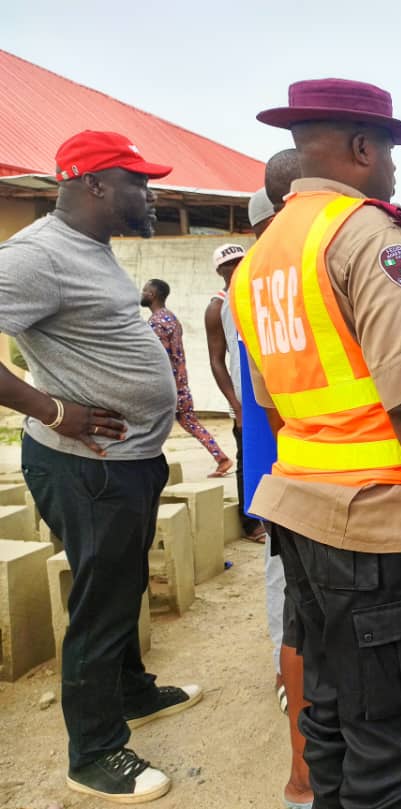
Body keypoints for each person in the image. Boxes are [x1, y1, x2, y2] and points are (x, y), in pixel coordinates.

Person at [232, 78, 401, 808]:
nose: (393, 169)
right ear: (360, 146)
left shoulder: (261, 261)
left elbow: (273, 401)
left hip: (303, 515)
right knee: (390, 739)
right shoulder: (370, 237)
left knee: (329, 709)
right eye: (389, 152)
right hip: (379, 530)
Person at [0, 130, 201, 803]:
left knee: (121, 585)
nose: (150, 194)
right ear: (93, 184)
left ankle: (132, 691)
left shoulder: (93, 249)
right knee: (100, 601)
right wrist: (54, 410)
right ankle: (93, 751)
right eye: (137, 183)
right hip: (87, 464)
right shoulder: (36, 256)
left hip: (130, 458)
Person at [243, 181, 313, 809]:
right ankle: (285, 677)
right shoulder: (258, 287)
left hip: (295, 469)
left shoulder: (265, 286)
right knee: (285, 591)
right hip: (285, 470)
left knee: (298, 595)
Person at [141, 279, 233, 477]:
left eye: (145, 290)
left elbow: (160, 358)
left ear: (153, 295)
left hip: (166, 387)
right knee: (190, 423)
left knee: (147, 427)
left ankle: (146, 468)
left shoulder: (156, 323)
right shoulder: (172, 318)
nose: (142, 293)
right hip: (180, 384)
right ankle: (222, 458)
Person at [205, 244, 266, 542]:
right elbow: (217, 361)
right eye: (230, 264)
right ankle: (250, 521)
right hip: (243, 397)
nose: (238, 267)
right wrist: (236, 404)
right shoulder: (217, 306)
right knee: (248, 457)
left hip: (268, 392)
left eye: (241, 261)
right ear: (220, 271)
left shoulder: (256, 294)